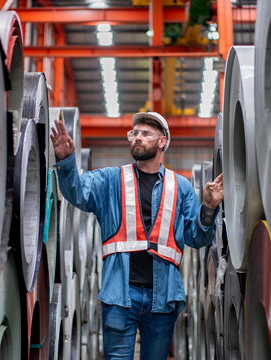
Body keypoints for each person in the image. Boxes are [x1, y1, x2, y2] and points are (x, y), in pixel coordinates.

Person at [51, 111, 224, 360]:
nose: (138, 138)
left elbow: (197, 238)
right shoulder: (111, 179)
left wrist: (208, 208)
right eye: (134, 133)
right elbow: (77, 192)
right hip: (120, 294)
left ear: (162, 141)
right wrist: (66, 161)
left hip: (163, 296)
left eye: (146, 133)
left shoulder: (181, 187)